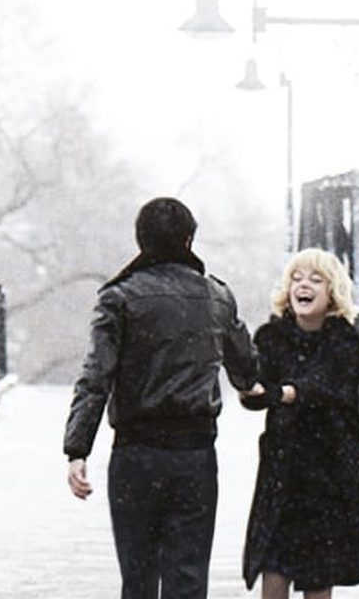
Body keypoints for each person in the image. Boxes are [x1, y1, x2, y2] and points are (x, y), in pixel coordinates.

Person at [64, 197, 260, 599]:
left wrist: (77, 449)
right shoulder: (217, 297)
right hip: (195, 454)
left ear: (141, 240)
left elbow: (96, 376)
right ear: (189, 240)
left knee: (138, 577)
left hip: (135, 454)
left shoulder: (119, 298)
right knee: (187, 578)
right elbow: (246, 370)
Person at [238, 248, 359, 598]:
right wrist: (250, 389)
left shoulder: (345, 341)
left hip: (328, 469)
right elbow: (257, 390)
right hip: (282, 467)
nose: (303, 285)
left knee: (319, 572)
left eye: (316, 280)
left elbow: (326, 386)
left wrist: (283, 393)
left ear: (332, 292)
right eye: (296, 279)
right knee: (274, 564)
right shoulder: (271, 337)